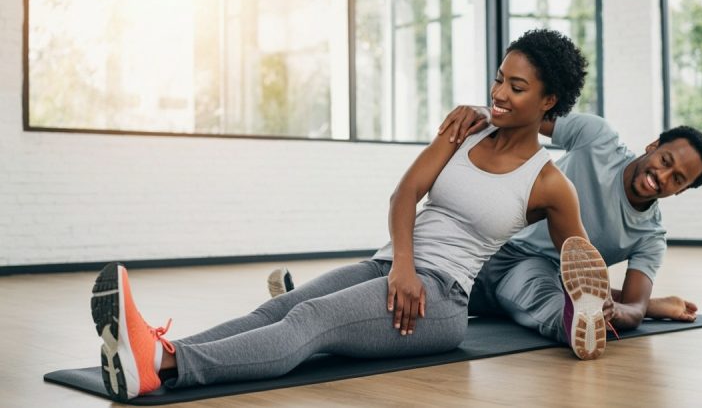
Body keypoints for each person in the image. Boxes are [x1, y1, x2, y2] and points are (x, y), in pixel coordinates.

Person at [89, 28, 606, 403]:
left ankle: (165, 365)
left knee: (311, 321)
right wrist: (401, 264)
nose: (498, 94)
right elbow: (405, 194)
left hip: (440, 299)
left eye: (516, 88)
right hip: (388, 267)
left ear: (549, 100)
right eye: (498, 79)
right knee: (278, 310)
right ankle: (155, 350)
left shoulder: (549, 182)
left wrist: (601, 309)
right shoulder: (465, 129)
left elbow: (578, 262)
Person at [433, 104, 702, 345]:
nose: (664, 176)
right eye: (665, 160)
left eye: (677, 179)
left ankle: (582, 322)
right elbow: (529, 118)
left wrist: (610, 312)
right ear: (653, 146)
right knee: (415, 281)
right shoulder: (598, 138)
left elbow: (634, 308)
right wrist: (481, 111)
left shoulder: (650, 238)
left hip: (536, 271)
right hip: (489, 236)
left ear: (680, 191)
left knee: (547, 302)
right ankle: (633, 305)